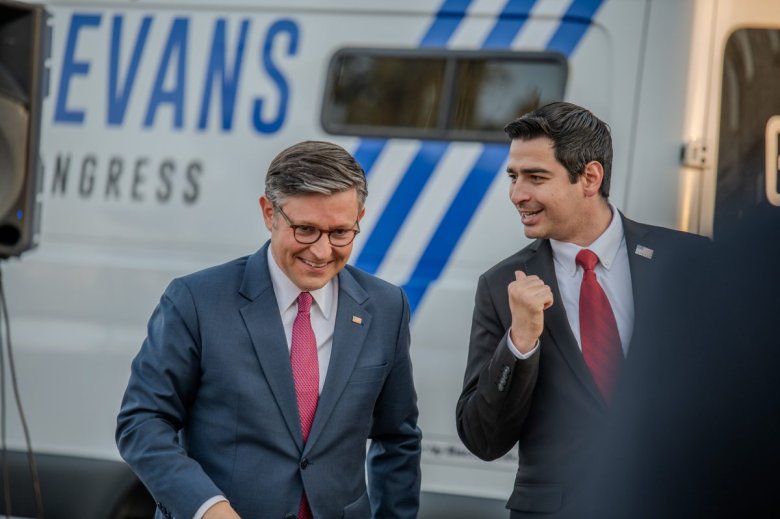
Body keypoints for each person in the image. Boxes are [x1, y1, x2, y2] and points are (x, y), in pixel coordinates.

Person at [116, 141, 421, 519]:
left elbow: (397, 439)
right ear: (268, 213)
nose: (323, 252)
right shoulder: (195, 301)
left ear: (359, 217)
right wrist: (207, 508)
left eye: (341, 232)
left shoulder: (387, 307)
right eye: (306, 229)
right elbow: (143, 421)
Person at [455, 102, 709, 518]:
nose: (518, 194)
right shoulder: (501, 286)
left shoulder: (689, 262)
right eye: (514, 177)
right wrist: (519, 343)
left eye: (536, 177)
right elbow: (483, 438)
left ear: (590, 177)